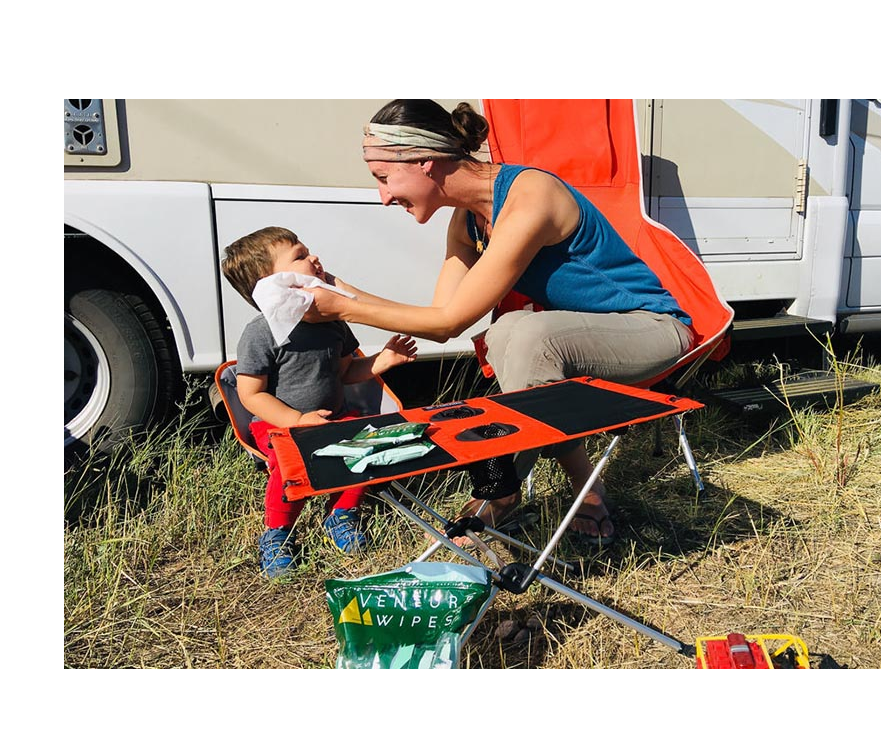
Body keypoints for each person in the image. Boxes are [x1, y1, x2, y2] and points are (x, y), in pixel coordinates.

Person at [302, 99, 693, 548]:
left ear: (423, 160)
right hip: (576, 334)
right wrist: (340, 291)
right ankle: (578, 486)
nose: (384, 196)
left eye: (383, 177)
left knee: (531, 335)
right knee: (507, 331)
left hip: (653, 328)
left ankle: (501, 487)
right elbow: (440, 315)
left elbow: (448, 323)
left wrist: (341, 308)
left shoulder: (530, 197)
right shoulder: (467, 222)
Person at [221, 226, 418, 577]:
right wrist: (296, 420)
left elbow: (345, 371)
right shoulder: (261, 332)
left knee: (364, 446)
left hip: (333, 416)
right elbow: (251, 394)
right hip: (279, 424)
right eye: (299, 256)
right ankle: (278, 533)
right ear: (272, 282)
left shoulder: (333, 322)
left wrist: (382, 361)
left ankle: (341, 514)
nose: (313, 257)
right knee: (289, 462)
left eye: (308, 250)